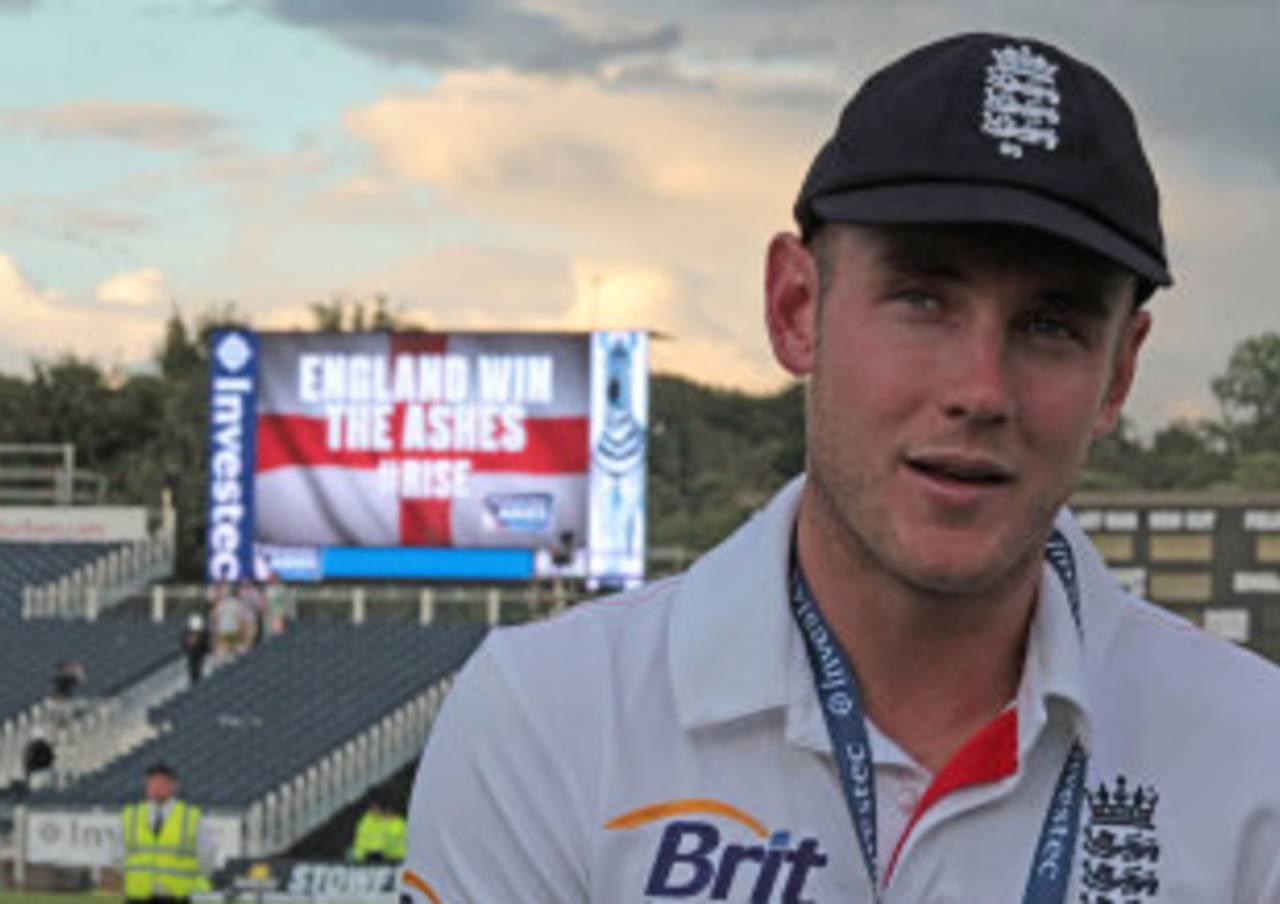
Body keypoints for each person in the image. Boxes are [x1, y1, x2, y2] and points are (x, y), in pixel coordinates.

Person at [400, 33, 1280, 903]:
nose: (980, 389)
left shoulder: (1257, 753)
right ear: (795, 308)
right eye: (922, 299)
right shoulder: (547, 713)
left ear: (1118, 373)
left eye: (1051, 325)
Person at [112, 762, 215, 904]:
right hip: (138, 896)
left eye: (162, 783)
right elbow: (117, 855)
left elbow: (207, 854)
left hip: (175, 896)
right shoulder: (130, 816)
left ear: (174, 786)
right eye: (152, 783)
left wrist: (192, 880)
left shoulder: (190, 817)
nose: (156, 788)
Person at [349, 794, 408, 863]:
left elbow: (391, 841)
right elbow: (361, 841)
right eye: (373, 807)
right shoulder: (366, 822)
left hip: (394, 859)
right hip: (369, 859)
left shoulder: (397, 823)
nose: (375, 810)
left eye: (377, 807)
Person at [180, 614, 210, 686]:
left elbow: (206, 645)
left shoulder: (201, 634)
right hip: (193, 653)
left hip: (197, 653)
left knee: (196, 667)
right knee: (194, 668)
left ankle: (195, 680)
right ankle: (194, 681)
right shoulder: (188, 634)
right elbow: (185, 644)